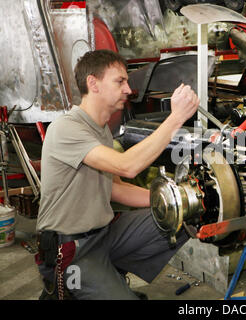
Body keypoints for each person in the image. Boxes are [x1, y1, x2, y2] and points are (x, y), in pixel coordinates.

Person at [35, 49, 199, 300]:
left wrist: (178, 199)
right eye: (120, 81)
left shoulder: (100, 130)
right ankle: (74, 287)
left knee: (186, 216)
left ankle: (109, 274)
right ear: (93, 83)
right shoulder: (66, 128)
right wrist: (175, 118)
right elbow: (127, 166)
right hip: (71, 249)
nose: (128, 89)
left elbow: (116, 188)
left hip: (105, 235)